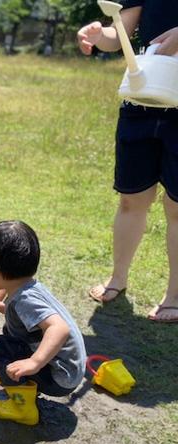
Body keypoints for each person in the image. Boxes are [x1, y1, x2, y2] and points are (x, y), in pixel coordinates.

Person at [77, 0, 178, 322]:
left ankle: (175, 294)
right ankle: (118, 278)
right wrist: (98, 34)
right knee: (132, 199)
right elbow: (120, 32)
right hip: (142, 96)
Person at [0, 221, 87, 426]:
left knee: (1, 347)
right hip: (66, 368)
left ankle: (22, 408)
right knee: (11, 333)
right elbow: (27, 319)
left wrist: (34, 362)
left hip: (59, 376)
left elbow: (59, 328)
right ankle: (21, 381)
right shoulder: (27, 286)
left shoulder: (25, 299)